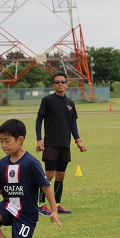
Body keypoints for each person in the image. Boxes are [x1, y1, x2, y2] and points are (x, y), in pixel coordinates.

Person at [35, 72, 87, 215]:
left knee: (60, 176)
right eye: (57, 82)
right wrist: (39, 139)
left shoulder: (70, 103)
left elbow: (73, 124)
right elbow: (39, 120)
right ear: (53, 85)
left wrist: (78, 141)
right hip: (51, 143)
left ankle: (57, 205)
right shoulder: (47, 100)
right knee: (49, 175)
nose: (60, 84)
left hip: (65, 144)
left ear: (67, 84)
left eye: (62, 82)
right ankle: (41, 204)